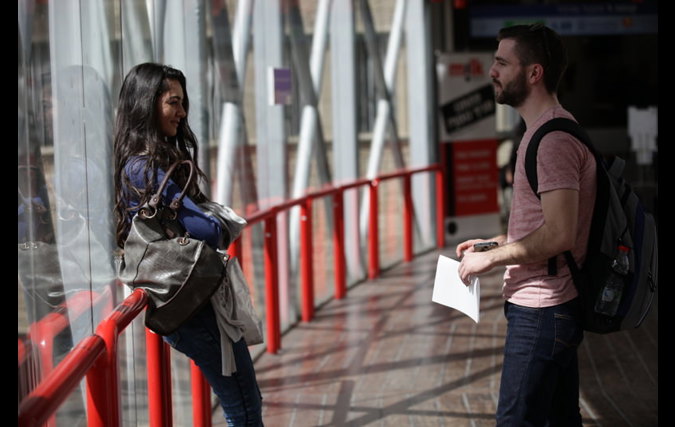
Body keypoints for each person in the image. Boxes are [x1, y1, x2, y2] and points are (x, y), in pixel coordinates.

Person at [456, 24, 596, 426]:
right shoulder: (545, 131)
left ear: (534, 73)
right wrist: (492, 244)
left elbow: (560, 234)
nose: (492, 71)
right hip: (550, 310)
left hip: (541, 311)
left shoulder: (552, 141)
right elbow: (545, 222)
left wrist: (493, 259)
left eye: (503, 63)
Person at [113, 62, 264, 425]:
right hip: (193, 308)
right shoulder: (145, 168)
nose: (182, 113)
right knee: (244, 406)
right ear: (147, 104)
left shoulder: (138, 164)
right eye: (173, 102)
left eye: (182, 103)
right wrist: (215, 220)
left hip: (184, 303)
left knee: (242, 400)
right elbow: (208, 231)